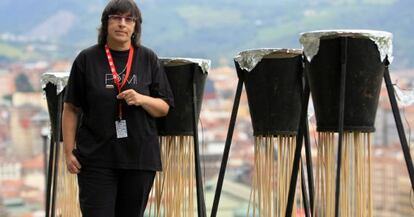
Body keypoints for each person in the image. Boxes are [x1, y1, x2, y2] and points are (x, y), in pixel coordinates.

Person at [62, 0, 174, 216]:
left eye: (128, 19)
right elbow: (70, 108)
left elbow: (164, 107)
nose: (122, 24)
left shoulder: (148, 58)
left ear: (135, 27)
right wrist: (68, 152)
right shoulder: (87, 59)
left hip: (139, 159)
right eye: (116, 18)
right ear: (106, 24)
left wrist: (142, 99)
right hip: (96, 158)